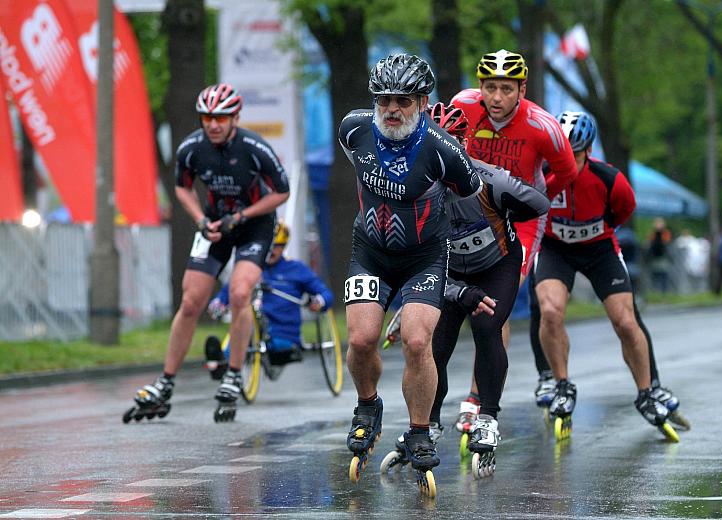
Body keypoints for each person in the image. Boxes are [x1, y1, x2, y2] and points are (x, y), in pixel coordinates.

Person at [338, 53, 482, 484]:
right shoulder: (353, 129)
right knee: (362, 339)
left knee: (418, 342)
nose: (392, 109)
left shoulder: (445, 151)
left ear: (422, 102)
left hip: (425, 256)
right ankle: (368, 404)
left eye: (403, 100)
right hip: (371, 251)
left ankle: (420, 431)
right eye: (383, 100)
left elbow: (469, 200)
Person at [123, 83, 290, 423]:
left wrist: (243, 216)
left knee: (240, 293)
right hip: (214, 226)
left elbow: (282, 192)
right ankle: (165, 383)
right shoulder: (191, 148)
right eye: (207, 117)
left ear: (235, 117)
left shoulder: (254, 148)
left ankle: (232, 374)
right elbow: (182, 187)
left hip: (253, 225)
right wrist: (200, 219)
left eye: (221, 117)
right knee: (190, 301)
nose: (213, 124)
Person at [450, 49, 578, 429]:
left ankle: (480, 397)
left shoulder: (543, 126)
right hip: (474, 213)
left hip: (519, 221)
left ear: (521, 88)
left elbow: (566, 172)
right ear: (480, 87)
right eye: (490, 88)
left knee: (493, 302)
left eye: (506, 89)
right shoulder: (462, 107)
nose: (497, 98)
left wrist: (528, 202)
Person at [534, 111, 680, 441]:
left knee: (626, 320)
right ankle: (561, 384)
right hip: (556, 249)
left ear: (588, 151)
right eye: (561, 153)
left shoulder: (609, 179)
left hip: (599, 249)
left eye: (575, 154)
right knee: (551, 312)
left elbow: (624, 210)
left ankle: (647, 392)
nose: (566, 161)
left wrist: (597, 229)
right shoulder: (542, 175)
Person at [422, 103, 550, 472]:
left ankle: (488, 419)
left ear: (463, 144)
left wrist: (506, 207)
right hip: (452, 274)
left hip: (497, 266)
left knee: (485, 326)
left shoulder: (487, 179)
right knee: (434, 343)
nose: (442, 150)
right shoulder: (416, 190)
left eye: (450, 142)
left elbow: (538, 204)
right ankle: (427, 425)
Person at [205, 220, 335, 373]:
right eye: (269, 246)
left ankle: (223, 362)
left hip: (284, 336)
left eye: (277, 246)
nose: (272, 251)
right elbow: (227, 292)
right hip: (253, 329)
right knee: (241, 325)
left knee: (262, 339)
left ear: (284, 246)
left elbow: (326, 294)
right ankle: (222, 361)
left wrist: (319, 302)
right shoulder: (250, 268)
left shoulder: (297, 269)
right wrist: (217, 304)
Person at [646, 217, 672, 294]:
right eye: (657, 223)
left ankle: (664, 292)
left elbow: (666, 242)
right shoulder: (652, 233)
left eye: (660, 223)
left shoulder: (666, 233)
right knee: (654, 275)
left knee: (664, 275)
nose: (658, 225)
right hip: (654, 257)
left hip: (663, 257)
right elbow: (649, 242)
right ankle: (655, 291)